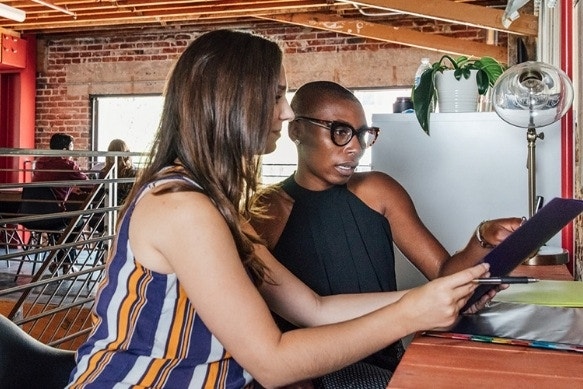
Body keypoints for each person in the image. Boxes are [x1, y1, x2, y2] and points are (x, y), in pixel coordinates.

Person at [67, 29, 490, 389]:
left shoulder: (214, 204)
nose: (287, 111)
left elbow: (313, 309)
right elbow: (273, 363)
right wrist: (410, 313)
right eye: (275, 95)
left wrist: (430, 297)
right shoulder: (184, 208)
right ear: (230, 102)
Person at [249, 80, 523, 387]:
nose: (354, 147)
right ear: (296, 130)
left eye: (363, 134)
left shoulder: (378, 190)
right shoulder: (266, 210)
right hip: (311, 371)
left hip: (385, 362)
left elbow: (443, 273)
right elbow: (265, 320)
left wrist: (482, 239)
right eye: (339, 131)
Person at [32, 133, 89, 204]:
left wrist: (69, 188)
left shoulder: (40, 161)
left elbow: (49, 182)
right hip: (53, 209)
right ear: (64, 150)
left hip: (32, 207)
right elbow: (88, 184)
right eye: (71, 149)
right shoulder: (68, 166)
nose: (73, 153)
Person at [99, 138, 138, 205]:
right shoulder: (133, 172)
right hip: (126, 208)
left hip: (107, 209)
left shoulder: (104, 172)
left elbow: (99, 195)